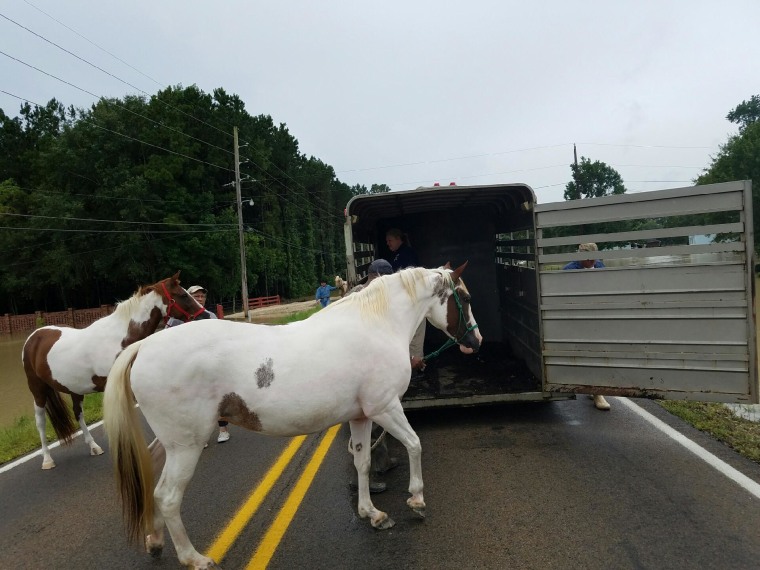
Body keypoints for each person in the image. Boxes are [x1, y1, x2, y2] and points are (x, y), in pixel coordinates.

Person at [346, 259, 425, 494]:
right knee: (364, 423)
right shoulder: (362, 298)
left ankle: (383, 461)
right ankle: (362, 478)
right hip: (359, 375)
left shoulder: (363, 295)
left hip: (371, 372)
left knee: (380, 417)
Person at [167, 285, 232, 442]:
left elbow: (220, 339)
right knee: (193, 402)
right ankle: (201, 436)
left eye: (202, 296)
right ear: (189, 298)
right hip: (187, 366)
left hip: (209, 365)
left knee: (216, 397)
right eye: (196, 296)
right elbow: (167, 340)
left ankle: (223, 429)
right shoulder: (176, 319)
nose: (200, 298)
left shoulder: (210, 316)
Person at [562, 243, 611, 411]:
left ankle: (596, 390)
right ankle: (594, 389)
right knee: (587, 353)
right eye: (587, 258)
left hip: (599, 316)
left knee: (599, 352)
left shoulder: (600, 266)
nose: (591, 261)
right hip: (580, 318)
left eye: (593, 258)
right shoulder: (569, 270)